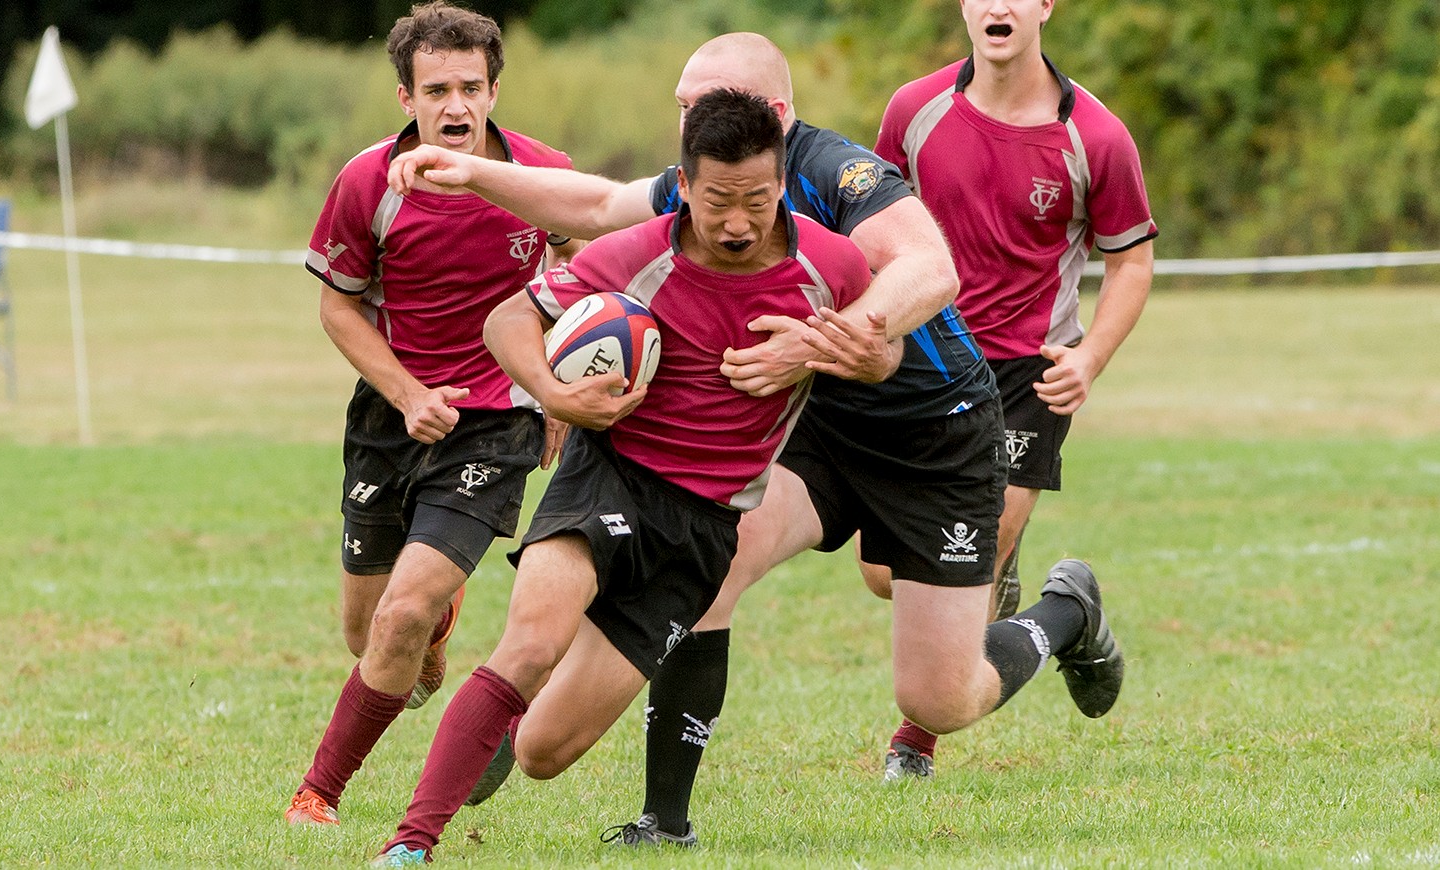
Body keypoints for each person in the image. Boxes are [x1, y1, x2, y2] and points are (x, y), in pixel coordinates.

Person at [387, 32, 1122, 848]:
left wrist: (829, 334)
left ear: (773, 116)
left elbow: (929, 267)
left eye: (698, 107)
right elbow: (598, 208)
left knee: (938, 698)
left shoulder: (839, 173)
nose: (688, 125)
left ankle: (1066, 611)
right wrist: (475, 172)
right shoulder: (717, 175)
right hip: (818, 421)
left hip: (933, 437)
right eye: (682, 112)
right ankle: (666, 821)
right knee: (719, 562)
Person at [367, 87, 875, 866]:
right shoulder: (635, 255)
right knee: (531, 644)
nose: (738, 222)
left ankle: (502, 725)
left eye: (757, 200)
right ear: (685, 183)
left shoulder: (829, 265)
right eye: (717, 202)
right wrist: (555, 393)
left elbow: (886, 350)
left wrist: (854, 353)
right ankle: (411, 844)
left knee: (541, 753)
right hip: (608, 475)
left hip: (704, 529)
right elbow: (509, 320)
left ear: (781, 184)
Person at [283, 1, 578, 828]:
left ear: (493, 90)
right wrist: (408, 393)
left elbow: (581, 281)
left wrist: (554, 387)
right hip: (392, 414)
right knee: (369, 631)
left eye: (473, 87)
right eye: (437, 89)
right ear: (405, 98)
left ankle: (319, 793)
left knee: (401, 613)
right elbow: (339, 309)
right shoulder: (367, 181)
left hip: (499, 418)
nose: (457, 106)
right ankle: (434, 626)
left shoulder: (542, 175)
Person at [870, 0, 1156, 777]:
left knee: (968, 555)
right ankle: (1068, 611)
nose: (999, 5)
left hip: (1026, 373)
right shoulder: (914, 111)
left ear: (1044, 7)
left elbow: (1131, 259)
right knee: (885, 577)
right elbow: (871, 225)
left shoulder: (1095, 135)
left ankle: (914, 743)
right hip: (920, 361)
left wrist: (1089, 356)